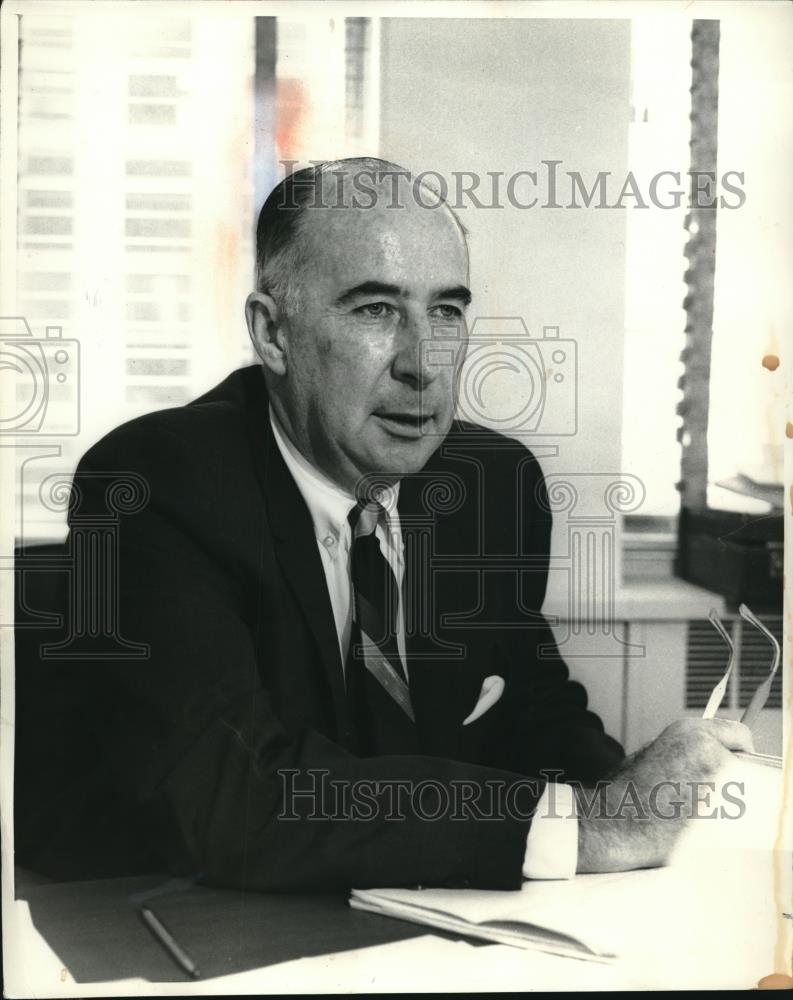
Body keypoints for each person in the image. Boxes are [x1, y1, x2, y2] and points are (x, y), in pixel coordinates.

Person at [15, 158, 752, 889]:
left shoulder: (492, 483)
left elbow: (530, 707)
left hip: (406, 919)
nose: (423, 365)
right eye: (375, 310)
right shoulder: (155, 484)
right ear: (273, 335)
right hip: (159, 919)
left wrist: (646, 801)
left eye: (446, 311)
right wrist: (589, 828)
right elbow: (234, 795)